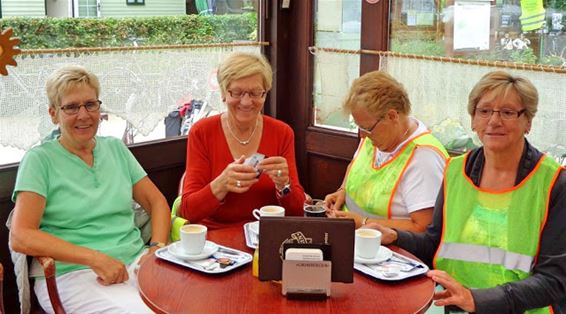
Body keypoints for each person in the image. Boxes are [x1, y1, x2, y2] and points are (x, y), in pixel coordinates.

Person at [370, 71, 566, 313]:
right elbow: (435, 243)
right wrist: (395, 236)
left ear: (528, 122)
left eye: (507, 112)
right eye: (484, 111)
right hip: (450, 303)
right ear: (473, 120)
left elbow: (555, 279)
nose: (494, 121)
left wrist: (478, 300)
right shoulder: (455, 171)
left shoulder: (555, 182)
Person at [9, 65, 171, 313]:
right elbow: (21, 235)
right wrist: (94, 258)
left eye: (90, 104)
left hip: (135, 261)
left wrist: (156, 248)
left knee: (193, 298)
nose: (83, 115)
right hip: (73, 274)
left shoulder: (115, 149)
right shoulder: (40, 160)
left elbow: (157, 203)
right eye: (72, 107)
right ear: (54, 114)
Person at [179, 52, 305, 228]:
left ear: (265, 94)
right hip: (216, 244)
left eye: (255, 93)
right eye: (237, 92)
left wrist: (284, 185)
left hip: (267, 238)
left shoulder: (282, 133)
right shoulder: (202, 132)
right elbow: (187, 212)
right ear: (223, 93)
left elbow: (299, 212)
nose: (246, 102)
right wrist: (222, 183)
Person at [324, 71, 448, 232]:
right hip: (353, 238)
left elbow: (424, 227)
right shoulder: (376, 136)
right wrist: (342, 191)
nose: (362, 135)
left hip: (390, 250)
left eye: (367, 128)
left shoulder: (423, 157)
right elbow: (356, 167)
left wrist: (363, 222)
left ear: (392, 116)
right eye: (359, 127)